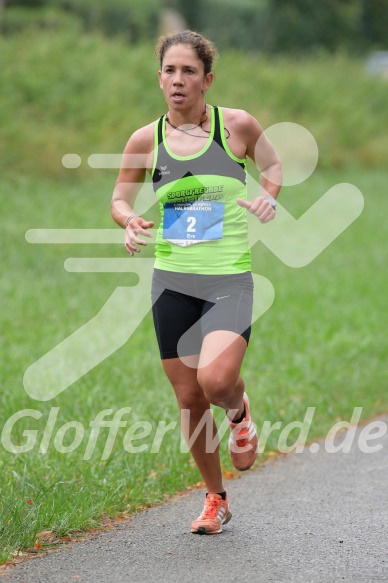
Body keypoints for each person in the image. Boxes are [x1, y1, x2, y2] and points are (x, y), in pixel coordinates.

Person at [111, 30, 282, 535]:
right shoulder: (147, 140)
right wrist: (129, 221)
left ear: (207, 80)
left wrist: (268, 195)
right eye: (169, 70)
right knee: (188, 399)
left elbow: (271, 164)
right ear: (159, 78)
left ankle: (239, 411)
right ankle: (215, 498)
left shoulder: (237, 127)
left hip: (228, 279)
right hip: (172, 283)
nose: (178, 80)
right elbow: (119, 197)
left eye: (189, 71)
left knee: (216, 382)